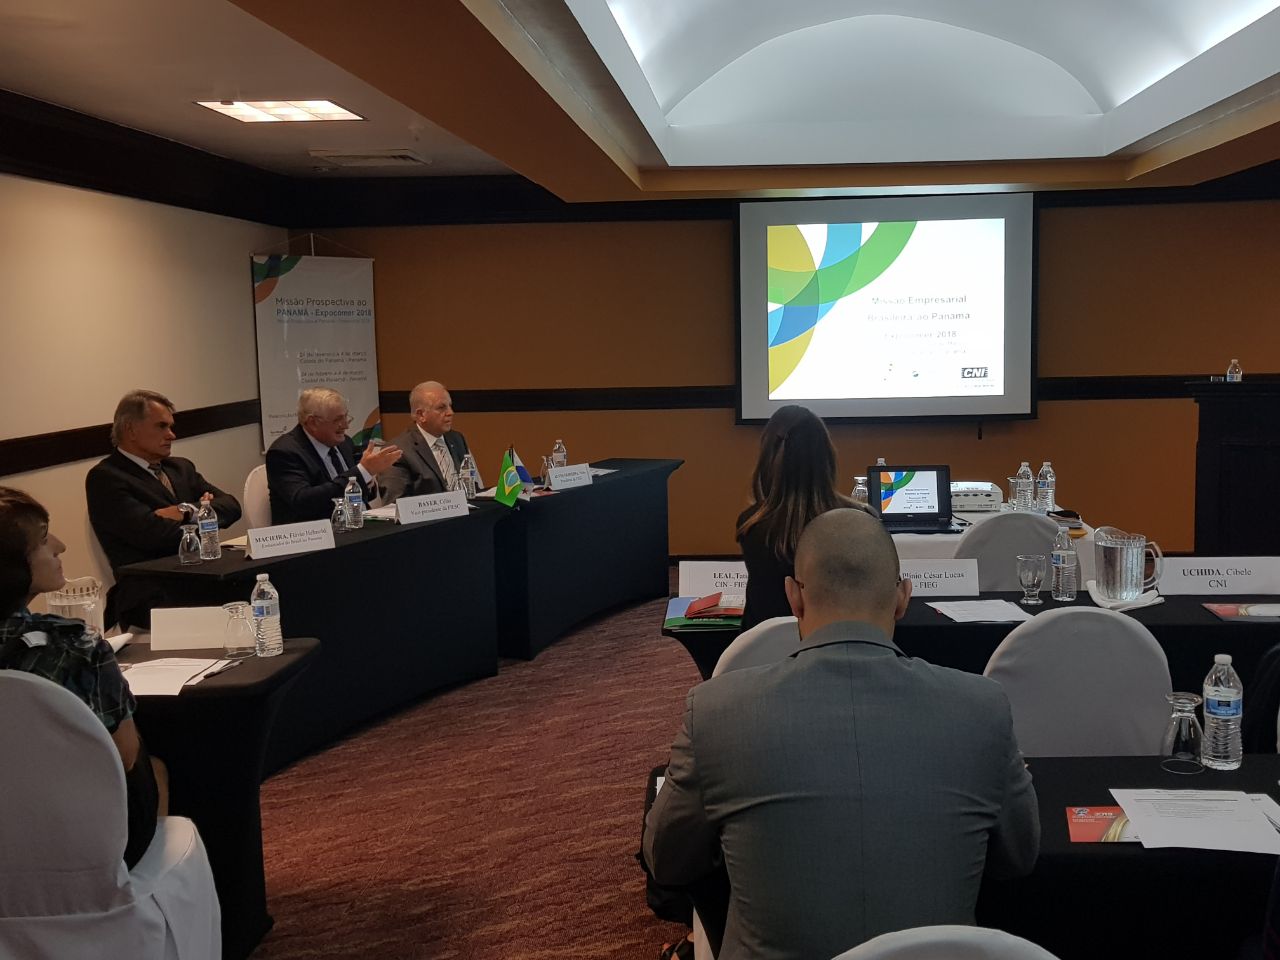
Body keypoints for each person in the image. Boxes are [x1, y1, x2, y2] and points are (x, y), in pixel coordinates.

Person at [644, 508, 1039, 960]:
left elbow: (666, 861)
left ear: (794, 597)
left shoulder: (716, 711)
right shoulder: (982, 707)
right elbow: (1019, 857)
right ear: (903, 598)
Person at [0, 486, 167, 869]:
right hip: (81, 840)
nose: (60, 546)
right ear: (11, 567)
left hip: (9, 836)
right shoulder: (75, 645)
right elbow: (124, 758)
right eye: (44, 540)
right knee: (155, 763)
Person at [86, 389, 241, 628]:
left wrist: (185, 510)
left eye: (170, 426)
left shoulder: (180, 468)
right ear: (130, 430)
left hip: (202, 575)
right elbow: (154, 535)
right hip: (152, 589)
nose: (171, 434)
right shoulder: (106, 478)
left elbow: (231, 506)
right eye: (161, 426)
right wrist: (204, 511)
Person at [736, 404, 864, 632]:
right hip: (841, 643)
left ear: (767, 457)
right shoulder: (860, 520)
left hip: (766, 648)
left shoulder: (751, 526)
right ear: (827, 456)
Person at [266, 387, 402, 524]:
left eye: (346, 417)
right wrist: (362, 472)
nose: (346, 425)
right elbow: (303, 501)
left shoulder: (344, 443)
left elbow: (366, 494)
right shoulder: (284, 453)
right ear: (313, 422)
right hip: (315, 531)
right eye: (338, 419)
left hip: (357, 524)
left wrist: (368, 479)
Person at [381, 380, 478, 503]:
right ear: (421, 415)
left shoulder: (456, 438)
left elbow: (471, 486)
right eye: (441, 408)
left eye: (450, 406)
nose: (450, 413)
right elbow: (396, 503)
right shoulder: (397, 450)